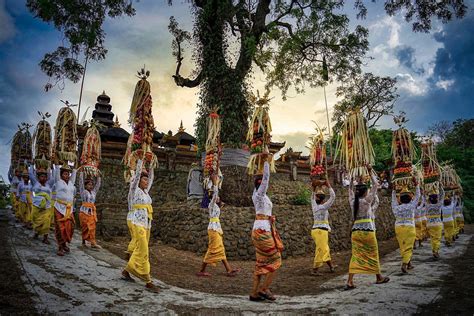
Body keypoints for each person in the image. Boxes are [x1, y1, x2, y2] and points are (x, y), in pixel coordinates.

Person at [345, 166, 390, 290]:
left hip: (356, 233)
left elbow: (349, 189)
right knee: (373, 254)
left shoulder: (352, 201)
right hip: (368, 232)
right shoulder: (367, 200)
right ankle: (378, 277)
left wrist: (352, 176)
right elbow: (375, 185)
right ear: (365, 192)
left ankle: (350, 281)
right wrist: (370, 172)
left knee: (356, 255)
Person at [121, 157, 159, 292]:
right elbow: (137, 176)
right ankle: (148, 280)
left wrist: (152, 166)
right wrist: (140, 161)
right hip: (137, 223)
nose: (146, 181)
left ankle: (126, 271)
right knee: (143, 250)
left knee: (140, 249)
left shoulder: (146, 192)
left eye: (146, 179)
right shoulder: (134, 190)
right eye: (144, 179)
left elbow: (152, 179)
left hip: (146, 224)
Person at [249, 155, 283, 302]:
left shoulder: (257, 195)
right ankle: (264, 288)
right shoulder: (260, 195)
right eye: (262, 180)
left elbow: (264, 180)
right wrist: (266, 163)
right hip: (263, 231)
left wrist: (262, 162)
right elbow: (266, 179)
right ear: (260, 183)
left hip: (259, 229)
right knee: (276, 259)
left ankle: (254, 293)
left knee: (261, 262)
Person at [197, 176, 240, 277]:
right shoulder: (211, 204)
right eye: (217, 196)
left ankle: (228, 269)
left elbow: (216, 194)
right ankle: (202, 270)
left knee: (220, 248)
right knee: (213, 249)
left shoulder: (215, 206)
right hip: (213, 228)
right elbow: (215, 193)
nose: (219, 197)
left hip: (216, 228)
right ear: (213, 198)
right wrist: (215, 183)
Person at [391, 184, 420, 273]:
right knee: (409, 246)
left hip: (398, 228)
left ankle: (409, 263)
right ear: (410, 198)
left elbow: (393, 200)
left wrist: (393, 190)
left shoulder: (396, 207)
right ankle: (404, 264)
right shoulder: (412, 206)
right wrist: (416, 185)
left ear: (400, 199)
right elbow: (418, 196)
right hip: (409, 227)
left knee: (403, 246)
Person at [310, 180, 337, 275]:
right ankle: (315, 269)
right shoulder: (324, 207)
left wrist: (314, 188)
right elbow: (333, 197)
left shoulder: (314, 205)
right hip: (321, 231)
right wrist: (329, 185)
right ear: (323, 199)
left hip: (316, 231)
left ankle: (331, 266)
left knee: (324, 249)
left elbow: (312, 197)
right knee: (321, 249)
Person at [53, 164, 77, 256]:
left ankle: (64, 243)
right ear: (61, 175)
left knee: (70, 226)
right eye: (65, 174)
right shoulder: (58, 181)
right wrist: (57, 163)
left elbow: (74, 171)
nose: (67, 176)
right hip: (59, 207)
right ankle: (60, 246)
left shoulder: (71, 183)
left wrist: (75, 164)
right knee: (60, 228)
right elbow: (57, 169)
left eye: (68, 174)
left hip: (69, 209)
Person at [29, 165, 54, 244]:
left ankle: (45, 238)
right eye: (42, 176)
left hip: (47, 206)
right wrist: (31, 165)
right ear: (38, 177)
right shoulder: (35, 183)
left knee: (47, 221)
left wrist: (52, 167)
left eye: (45, 177)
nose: (44, 178)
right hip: (37, 205)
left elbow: (53, 177)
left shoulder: (48, 185)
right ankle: (36, 232)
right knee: (36, 220)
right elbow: (30, 174)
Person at [78, 171, 101, 249]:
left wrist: (98, 177)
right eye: (89, 184)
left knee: (92, 227)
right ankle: (83, 241)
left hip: (91, 212)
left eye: (91, 185)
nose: (90, 186)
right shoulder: (83, 192)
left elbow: (98, 185)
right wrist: (82, 173)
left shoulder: (94, 193)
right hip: (84, 212)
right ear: (85, 185)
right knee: (85, 227)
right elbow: (80, 182)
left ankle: (93, 243)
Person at [425, 188, 445, 259]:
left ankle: (434, 250)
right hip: (437, 224)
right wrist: (440, 186)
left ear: (429, 199)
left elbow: (424, 198)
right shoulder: (439, 204)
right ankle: (435, 251)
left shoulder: (427, 205)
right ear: (437, 199)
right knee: (437, 238)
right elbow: (442, 196)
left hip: (429, 224)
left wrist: (425, 191)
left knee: (432, 238)